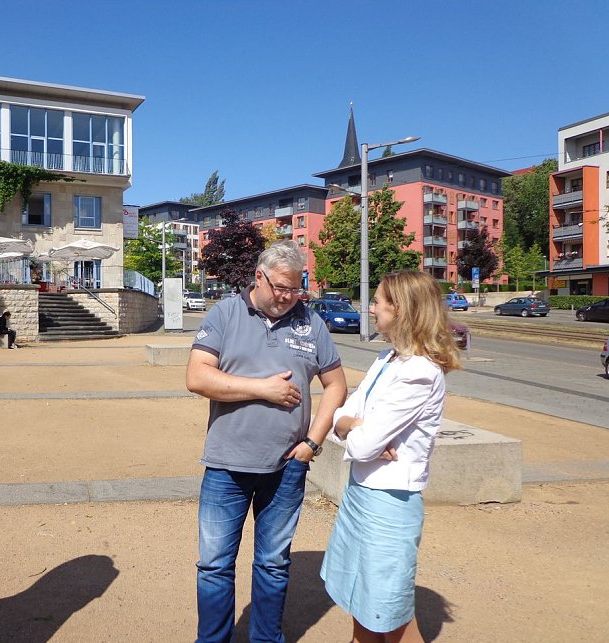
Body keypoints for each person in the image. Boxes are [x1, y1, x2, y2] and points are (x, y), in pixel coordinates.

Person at [186, 240, 348, 642]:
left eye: (295, 289)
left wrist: (312, 444)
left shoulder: (311, 323)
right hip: (226, 465)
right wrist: (263, 389)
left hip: (287, 468)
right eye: (280, 287)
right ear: (259, 277)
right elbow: (197, 377)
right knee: (214, 565)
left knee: (273, 564)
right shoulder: (225, 313)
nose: (288, 297)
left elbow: (336, 386)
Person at [320, 271, 462, 643]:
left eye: (378, 301)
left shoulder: (419, 372)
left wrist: (355, 430)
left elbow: (363, 446)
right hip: (361, 494)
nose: (371, 308)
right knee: (360, 602)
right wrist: (353, 424)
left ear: (400, 309)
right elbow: (342, 417)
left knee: (390, 616)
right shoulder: (388, 359)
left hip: (389, 504)